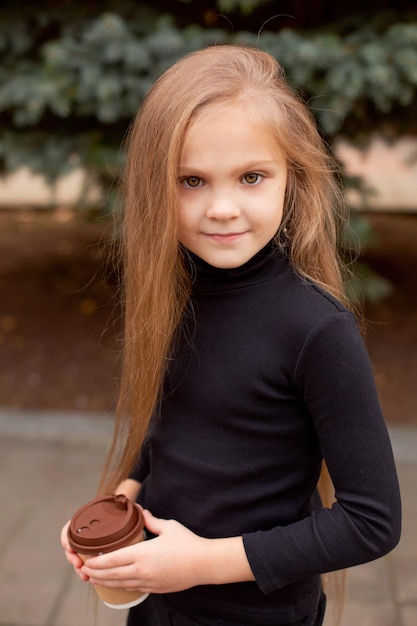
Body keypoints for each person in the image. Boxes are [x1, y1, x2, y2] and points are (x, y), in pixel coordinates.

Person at [61, 45, 401, 626]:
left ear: (292, 178)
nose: (222, 208)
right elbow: (178, 416)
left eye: (251, 177)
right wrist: (119, 505)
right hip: (159, 601)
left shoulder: (317, 329)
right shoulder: (177, 291)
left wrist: (200, 563)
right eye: (191, 180)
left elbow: (372, 522)